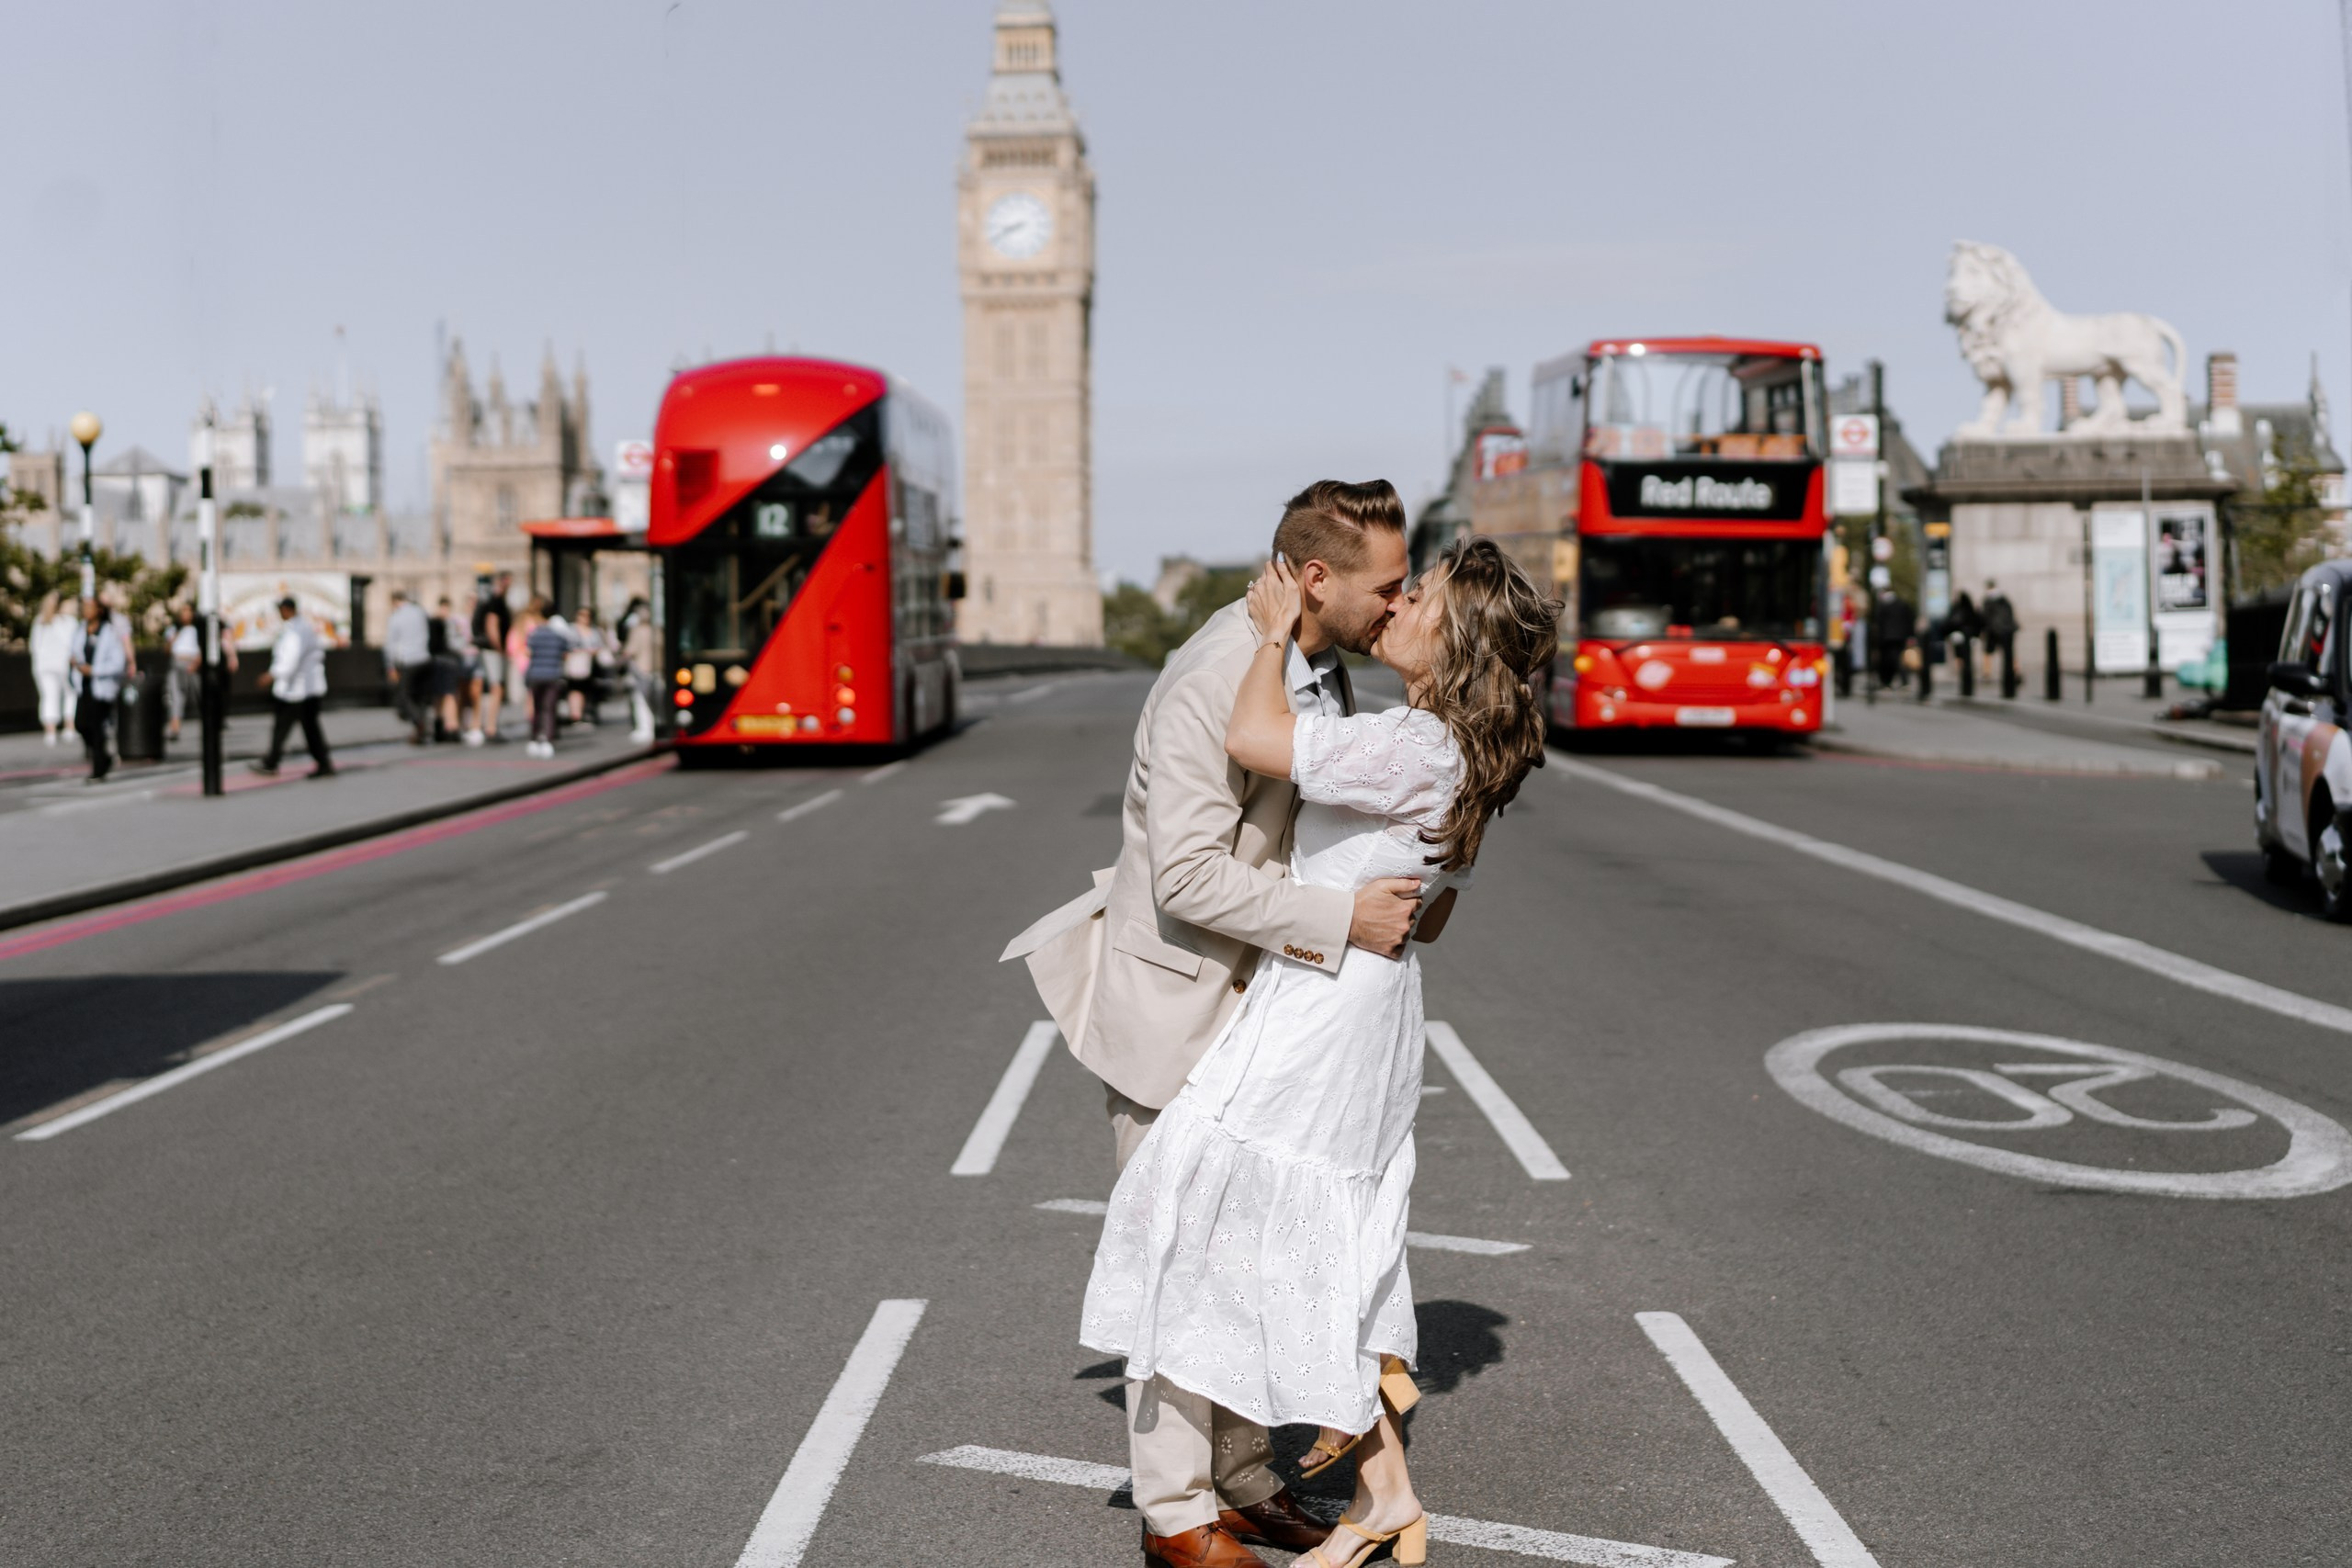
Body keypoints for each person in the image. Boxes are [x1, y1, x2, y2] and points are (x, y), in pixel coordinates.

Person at [1083, 531, 1559, 1568]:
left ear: (1458, 640)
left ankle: (1296, 1490)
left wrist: (1266, 636)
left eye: (1419, 596)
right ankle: (1376, 1490)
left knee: (1214, 1208)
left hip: (1322, 1011)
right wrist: (1362, 901)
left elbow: (1258, 741)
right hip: (1369, 1001)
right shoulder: (1446, 747)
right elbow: (1427, 917)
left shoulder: (1408, 741)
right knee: (1299, 1230)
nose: (1397, 606)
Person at [1008, 480, 1422, 1568]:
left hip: (1265, 1010)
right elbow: (1190, 875)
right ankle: (1176, 1518)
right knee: (1176, 1259)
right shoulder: (1208, 678)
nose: (1398, 605)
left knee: (1243, 1255)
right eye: (1386, 587)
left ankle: (1238, 1480)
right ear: (1316, 580)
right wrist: (1344, 921)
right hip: (1181, 1006)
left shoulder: (1319, 662)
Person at [253, 596, 334, 778]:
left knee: (301, 728)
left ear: (287, 610)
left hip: (301, 689)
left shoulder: (298, 630)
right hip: (298, 688)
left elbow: (291, 658)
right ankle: (273, 761)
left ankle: (274, 762)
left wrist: (272, 675)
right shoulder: (296, 627)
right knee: (295, 728)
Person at [68, 596, 129, 782]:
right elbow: (75, 651)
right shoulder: (81, 630)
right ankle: (104, 756)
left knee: (96, 728)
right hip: (84, 686)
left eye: (90, 607)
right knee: (80, 724)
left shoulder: (109, 632)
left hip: (102, 687)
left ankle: (99, 768)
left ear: (99, 611)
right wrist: (75, 663)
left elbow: (118, 663)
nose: (86, 611)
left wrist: (94, 670)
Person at [522, 596, 571, 759]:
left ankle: (535, 738)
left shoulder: (534, 634)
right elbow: (565, 652)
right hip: (553, 675)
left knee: (537, 708)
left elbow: (528, 652)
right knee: (549, 709)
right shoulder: (557, 635)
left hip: (536, 675)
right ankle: (548, 740)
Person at [384, 588, 433, 744]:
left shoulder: (396, 617)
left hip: (408, 660)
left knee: (404, 697)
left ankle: (419, 723)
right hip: (424, 658)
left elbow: (390, 645)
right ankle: (420, 730)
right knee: (419, 697)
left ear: (394, 602)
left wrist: (390, 666)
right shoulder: (420, 612)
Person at [471, 572, 516, 742]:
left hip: (487, 649)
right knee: (496, 688)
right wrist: (500, 649)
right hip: (492, 650)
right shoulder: (496, 601)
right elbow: (492, 625)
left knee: (486, 688)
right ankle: (490, 727)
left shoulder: (491, 599)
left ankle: (481, 726)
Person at [30, 592, 78, 747]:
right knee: (70, 693)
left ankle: (50, 731)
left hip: (43, 666)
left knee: (48, 696)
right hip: (63, 664)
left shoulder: (39, 621)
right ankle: (69, 727)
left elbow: (34, 647)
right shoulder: (69, 622)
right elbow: (74, 645)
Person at [618, 596, 658, 742]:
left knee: (641, 701)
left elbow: (630, 650)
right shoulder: (657, 630)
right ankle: (654, 726)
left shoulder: (638, 630)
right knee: (654, 701)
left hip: (641, 669)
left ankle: (645, 728)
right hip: (657, 669)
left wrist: (619, 661)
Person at [166, 603, 202, 742]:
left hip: (192, 664)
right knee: (175, 696)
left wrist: (195, 664)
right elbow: (167, 650)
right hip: (177, 664)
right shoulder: (174, 629)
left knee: (199, 695)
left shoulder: (197, 629)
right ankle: (175, 728)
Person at [1870, 585, 1914, 691]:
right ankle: (1896, 681)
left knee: (1890, 660)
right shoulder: (1902, 604)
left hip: (1887, 638)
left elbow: (1878, 622)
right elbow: (1909, 620)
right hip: (1900, 637)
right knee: (1898, 659)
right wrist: (1910, 635)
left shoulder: (1882, 605)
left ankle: (1889, 682)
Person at [1982, 579, 2018, 682]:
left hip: (1994, 630)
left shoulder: (1988, 600)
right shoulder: (2004, 598)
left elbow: (1985, 616)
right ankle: (2015, 671)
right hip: (2006, 629)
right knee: (2009, 652)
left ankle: (1987, 673)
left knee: (1988, 652)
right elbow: (2010, 613)